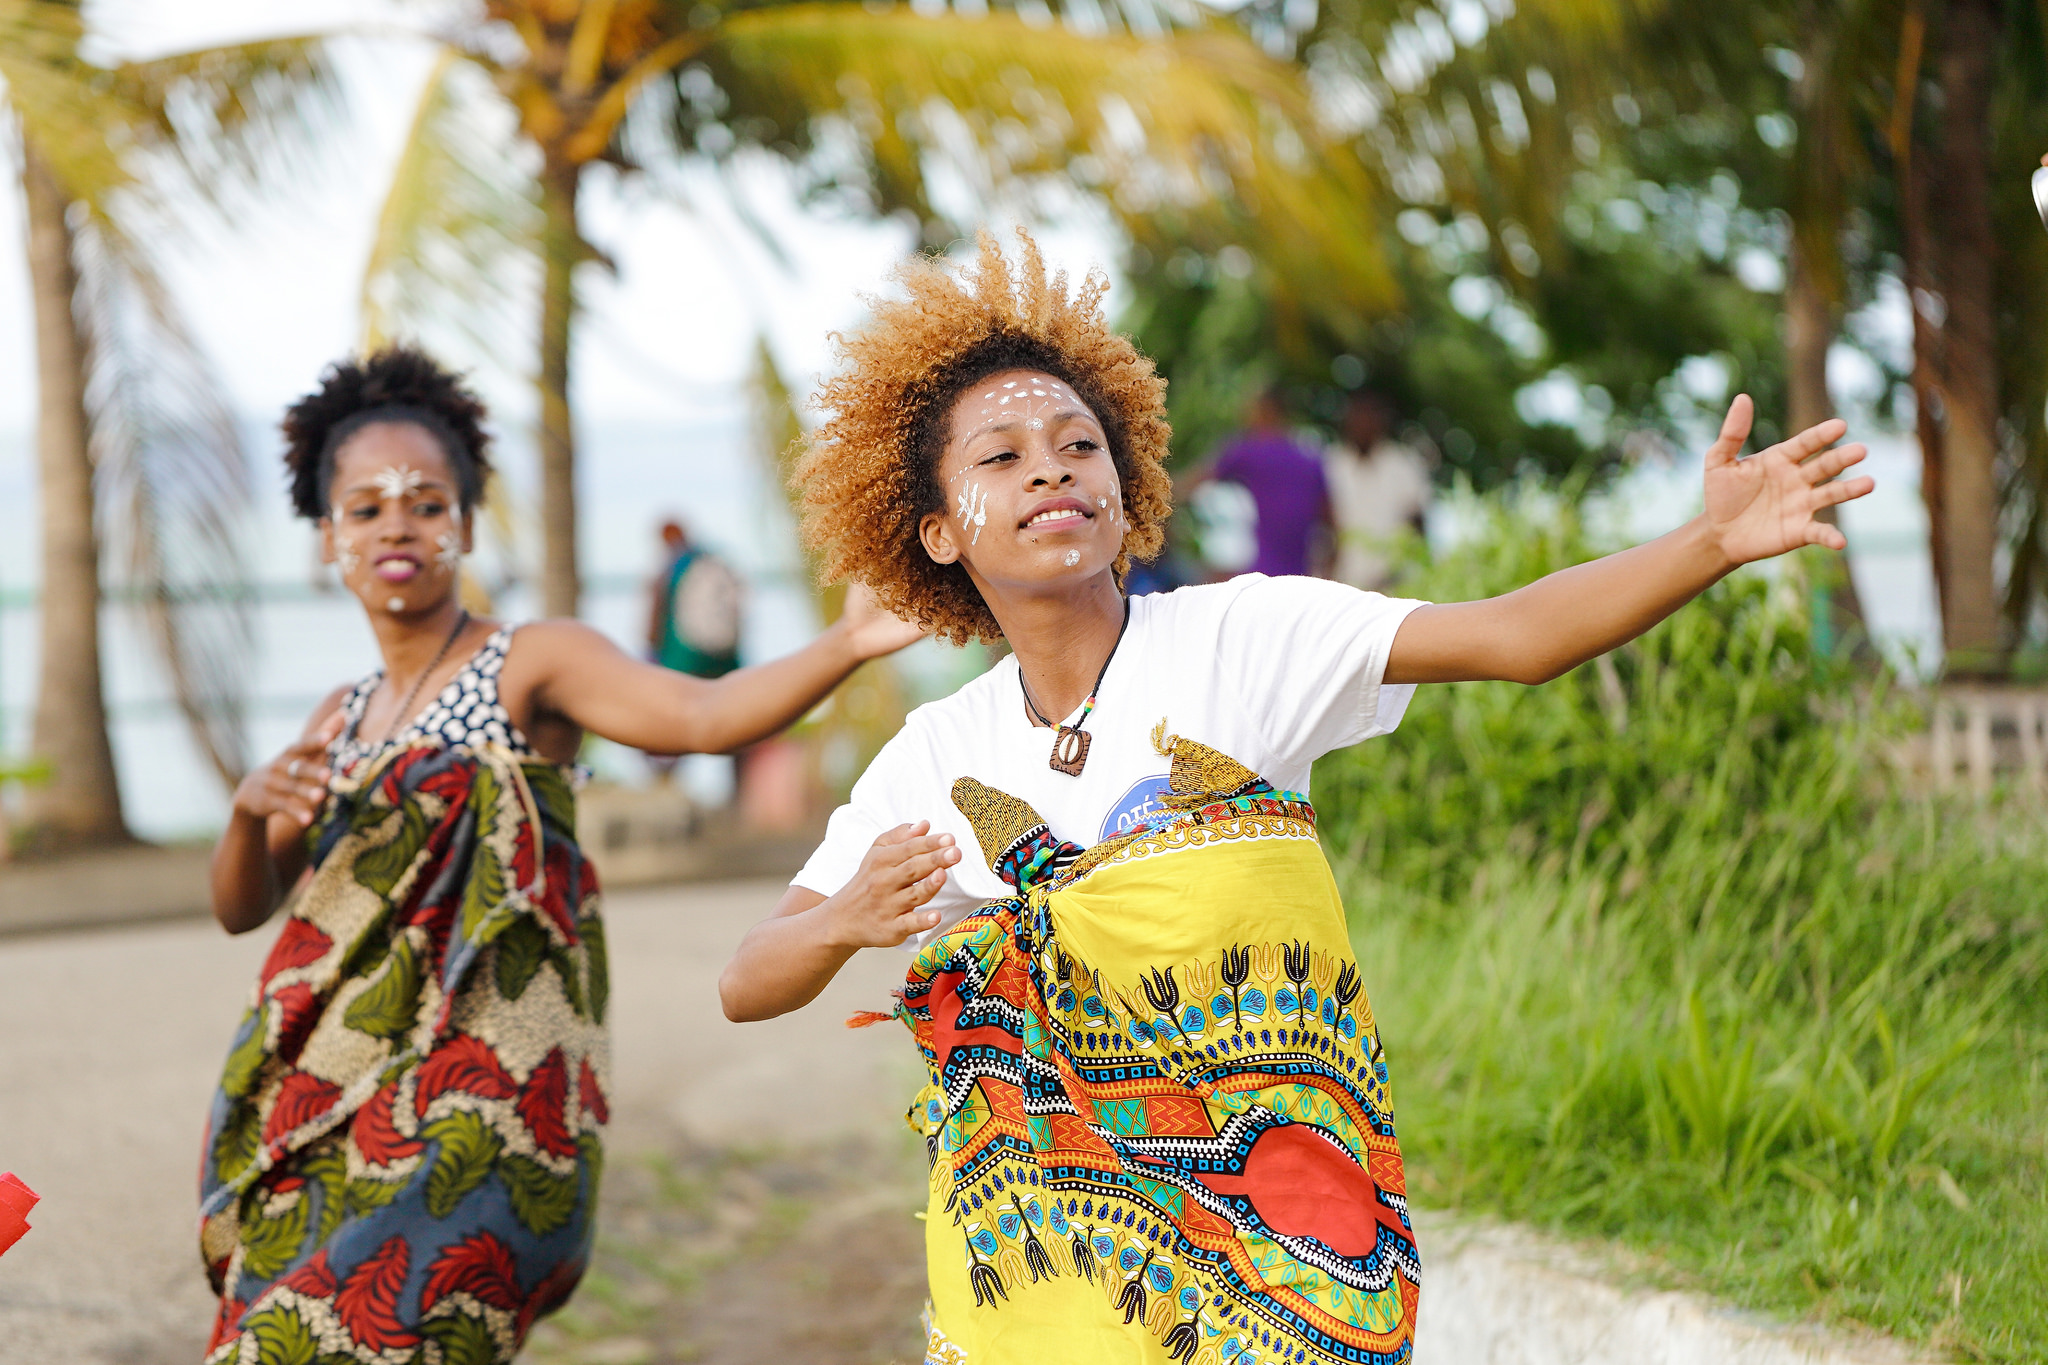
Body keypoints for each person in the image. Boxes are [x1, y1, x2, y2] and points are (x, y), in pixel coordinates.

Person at [715, 231, 1872, 1365]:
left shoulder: (1244, 638)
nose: (1050, 471)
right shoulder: (935, 754)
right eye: (1001, 458)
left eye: (1078, 445)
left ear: (1127, 495)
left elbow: (1514, 637)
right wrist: (841, 920)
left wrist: (1706, 542)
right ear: (934, 532)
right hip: (1048, 1301)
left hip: (1287, 1271)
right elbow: (745, 981)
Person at [201, 346, 921, 1365]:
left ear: (462, 521)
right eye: (364, 509)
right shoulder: (340, 719)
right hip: (339, 1099)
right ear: (327, 540)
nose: (395, 524)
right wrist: (244, 813)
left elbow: (700, 715)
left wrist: (841, 646)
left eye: (425, 501)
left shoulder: (529, 662)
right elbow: (248, 906)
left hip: (480, 1105)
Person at [1205, 386, 1332, 578]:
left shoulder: (1250, 451)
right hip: (1300, 574)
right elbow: (1330, 521)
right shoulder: (1311, 459)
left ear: (1265, 411)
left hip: (1260, 571)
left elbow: (1200, 477)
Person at [1323, 388, 1433, 591]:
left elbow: (1417, 527)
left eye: (1370, 416)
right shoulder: (1331, 465)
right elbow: (1326, 530)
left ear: (1382, 421)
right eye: (1358, 416)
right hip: (1344, 585)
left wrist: (1400, 572)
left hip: (1396, 588)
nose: (1363, 423)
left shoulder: (1403, 465)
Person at [646, 518, 744, 680]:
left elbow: (656, 613)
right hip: (723, 659)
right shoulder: (712, 560)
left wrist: (651, 648)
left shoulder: (672, 568)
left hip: (682, 661)